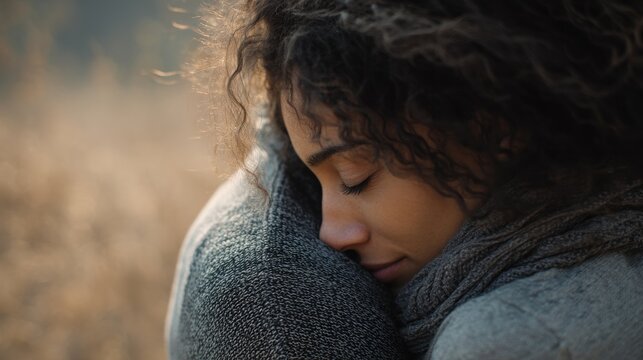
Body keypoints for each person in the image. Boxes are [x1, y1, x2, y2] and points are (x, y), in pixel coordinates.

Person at [167, 0, 643, 358]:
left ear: (486, 118)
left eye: (357, 178)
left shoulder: (510, 339)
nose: (331, 234)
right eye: (319, 179)